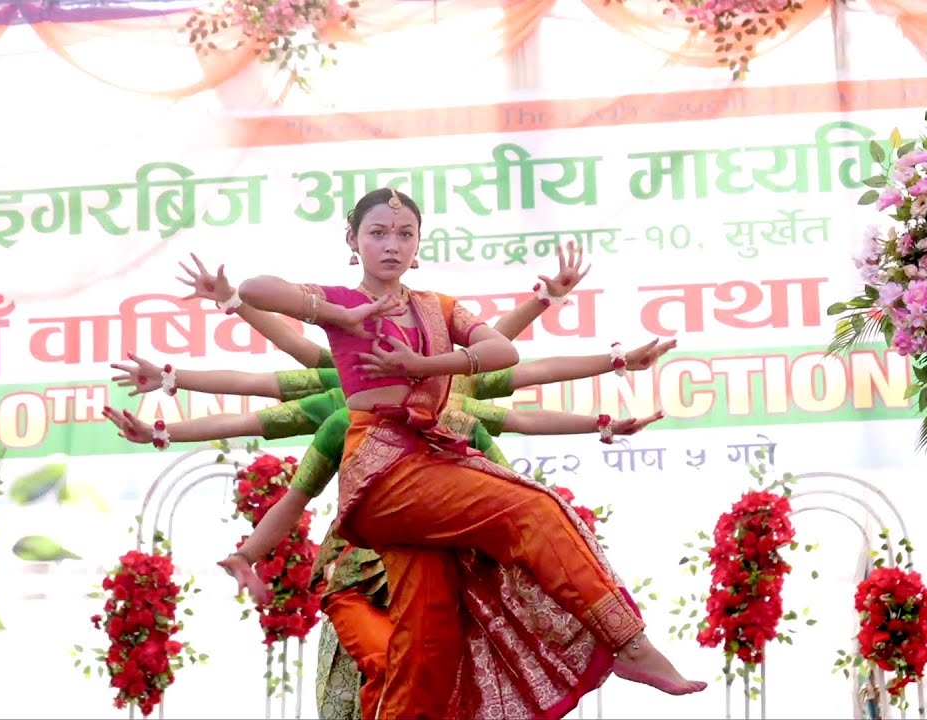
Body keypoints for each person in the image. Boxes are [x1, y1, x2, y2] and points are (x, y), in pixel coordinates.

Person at [234, 187, 705, 719]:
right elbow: (256, 288)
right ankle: (628, 643)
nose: (392, 244)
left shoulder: (439, 314)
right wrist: (334, 315)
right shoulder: (342, 308)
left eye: (405, 234)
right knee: (535, 509)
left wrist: (426, 365)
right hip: (383, 477)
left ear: (418, 245)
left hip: (430, 475)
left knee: (428, 643)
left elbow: (505, 353)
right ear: (353, 240)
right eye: (378, 233)